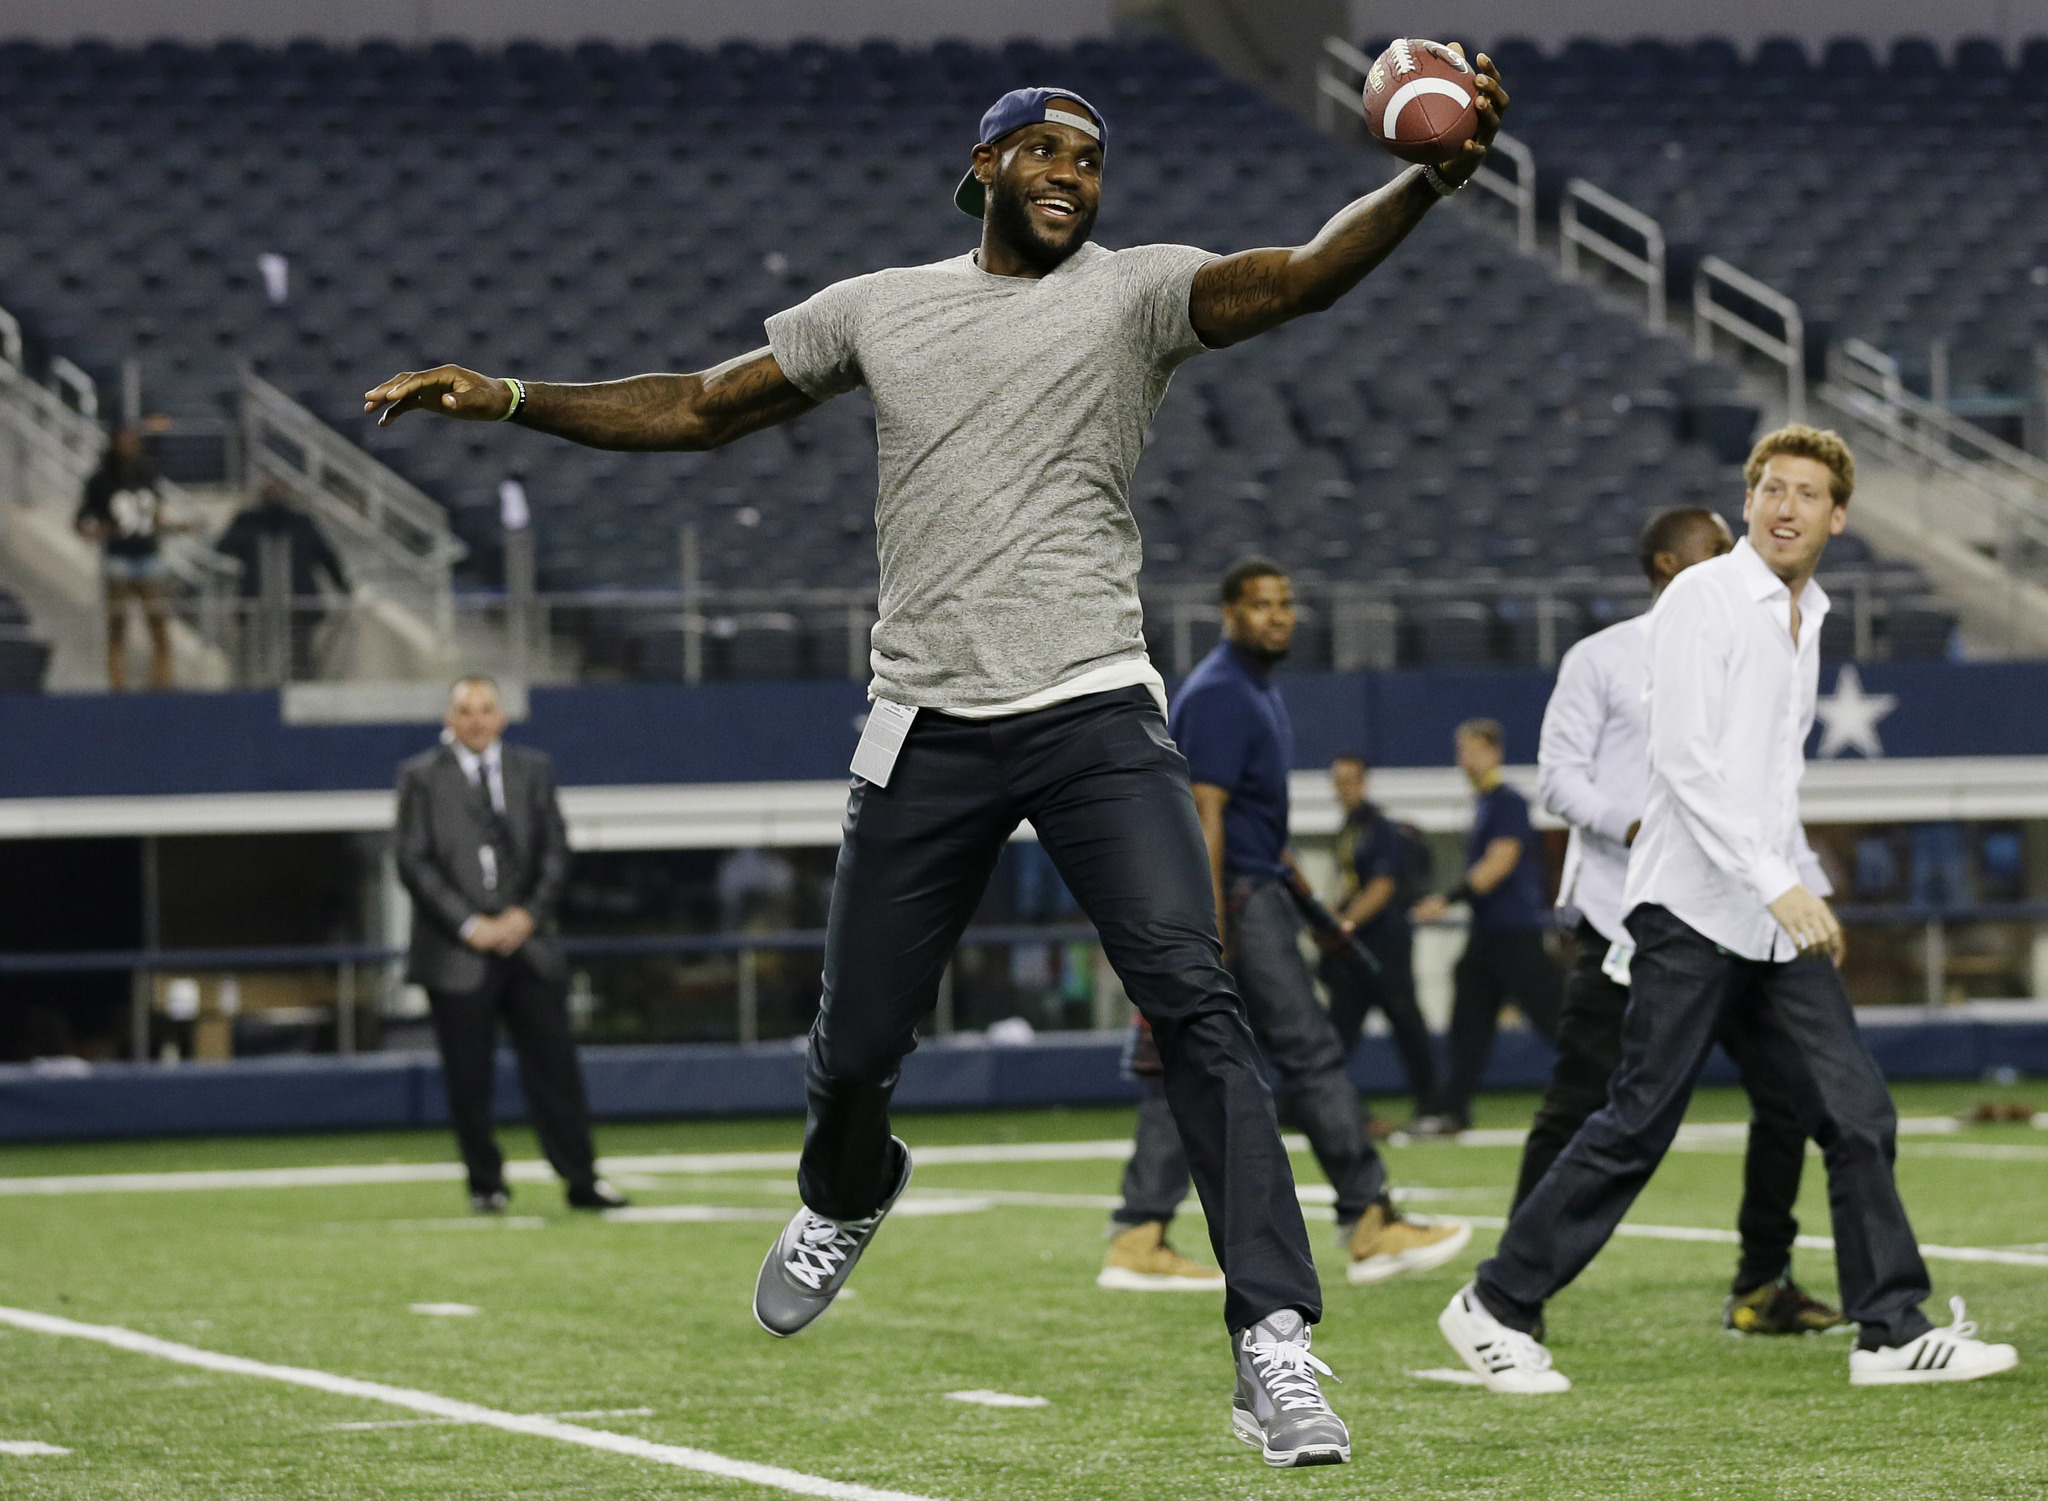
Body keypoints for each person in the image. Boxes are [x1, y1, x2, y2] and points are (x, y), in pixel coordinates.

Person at [366, 61, 1511, 1467]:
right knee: (853, 1052)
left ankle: (1273, 1339)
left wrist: (1426, 179)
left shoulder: (1137, 293)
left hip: (1094, 709)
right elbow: (701, 406)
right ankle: (849, 1189)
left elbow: (1300, 277)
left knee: (1196, 998)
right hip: (929, 723)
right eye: (1039, 149)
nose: (1067, 172)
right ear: (982, 170)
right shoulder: (881, 305)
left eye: (1088, 158)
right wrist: (513, 397)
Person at [1440, 425, 2019, 1392]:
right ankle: (1495, 1303)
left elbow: (1768, 780)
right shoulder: (1704, 597)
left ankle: (1889, 1329)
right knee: (1638, 1120)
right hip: (1687, 907)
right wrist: (1775, 878)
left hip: (1765, 909)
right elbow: (1686, 762)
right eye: (1770, 489)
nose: (1786, 506)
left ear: (1839, 517)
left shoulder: (1811, 613)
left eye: (1807, 494)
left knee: (1856, 1109)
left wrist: (1798, 887)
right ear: (1748, 502)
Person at [1098, 559, 1469, 1294]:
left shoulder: (1252, 690)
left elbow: (1255, 825)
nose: (1278, 615)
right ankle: (1370, 1216)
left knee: (1193, 1056)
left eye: (1285, 603)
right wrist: (1207, 926)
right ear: (1228, 611)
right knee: (1312, 1053)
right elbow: (1205, 816)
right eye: (1261, 604)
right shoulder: (1223, 694)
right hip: (1237, 900)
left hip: (1254, 892)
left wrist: (1307, 906)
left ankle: (1139, 1231)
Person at [1525, 505, 1842, 1335]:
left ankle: (1762, 1281)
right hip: (1633, 915)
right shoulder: (1600, 658)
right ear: (1668, 565)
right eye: (1716, 549)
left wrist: (1802, 888)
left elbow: (1764, 790)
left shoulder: (1759, 643)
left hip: (1739, 917)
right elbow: (1557, 777)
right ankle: (1515, 1290)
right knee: (1583, 1108)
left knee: (1789, 1094)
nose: (1740, 558)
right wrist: (1632, 822)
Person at [395, 676, 629, 1216]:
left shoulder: (534, 771)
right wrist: (470, 924)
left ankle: (581, 1178)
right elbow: (413, 861)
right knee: (468, 1077)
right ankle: (486, 1184)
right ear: (450, 720)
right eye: (465, 710)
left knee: (555, 1069)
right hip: (457, 955)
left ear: (501, 717)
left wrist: (525, 915)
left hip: (531, 947)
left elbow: (555, 850)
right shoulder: (419, 778)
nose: (477, 719)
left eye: (486, 709)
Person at [1410, 719, 1561, 1135]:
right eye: (1461, 751)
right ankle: (1451, 1109)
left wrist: (1447, 899)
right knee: (1469, 1023)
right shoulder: (1481, 804)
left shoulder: (1506, 801)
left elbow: (1500, 862)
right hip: (1488, 933)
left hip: (1516, 932)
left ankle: (1611, 1086)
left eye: (1472, 750)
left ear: (1494, 753)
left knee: (1554, 1017)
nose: (1464, 759)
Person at [1322, 755, 1436, 1115]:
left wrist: (1342, 925)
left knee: (1406, 1024)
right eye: (1339, 780)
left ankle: (1431, 1104)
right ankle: (1316, 1103)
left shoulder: (1381, 828)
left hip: (1385, 945)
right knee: (1340, 1028)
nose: (1345, 788)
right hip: (1358, 947)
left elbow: (1380, 889)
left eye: (1351, 780)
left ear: (1365, 782)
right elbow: (1354, 885)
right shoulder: (1349, 829)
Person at [74, 426, 180, 690]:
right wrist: (101, 531)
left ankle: (162, 682)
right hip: (118, 559)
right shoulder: (100, 480)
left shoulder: (147, 475)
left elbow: (153, 517)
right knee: (118, 624)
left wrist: (175, 527)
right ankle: (118, 683)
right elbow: (81, 521)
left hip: (148, 556)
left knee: (158, 622)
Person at [213, 479, 351, 681]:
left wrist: (343, 586)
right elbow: (222, 549)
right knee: (256, 658)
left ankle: (301, 694)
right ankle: (257, 694)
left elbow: (326, 555)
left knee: (299, 655)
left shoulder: (301, 522)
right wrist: (343, 586)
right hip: (257, 604)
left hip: (297, 602)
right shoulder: (247, 521)